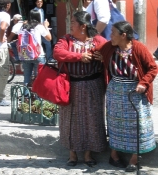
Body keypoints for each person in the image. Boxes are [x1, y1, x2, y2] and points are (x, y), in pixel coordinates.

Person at [95, 21, 157, 172]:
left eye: (113, 33)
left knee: (137, 124)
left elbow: (152, 68)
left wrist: (144, 83)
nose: (110, 36)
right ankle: (114, 155)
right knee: (116, 124)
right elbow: (94, 50)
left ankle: (134, 158)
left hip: (135, 91)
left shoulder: (139, 48)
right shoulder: (110, 47)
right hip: (115, 91)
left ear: (123, 35)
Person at [53, 11, 107, 167]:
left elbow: (111, 53)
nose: (70, 25)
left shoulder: (98, 40)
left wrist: (103, 58)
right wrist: (79, 57)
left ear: (83, 26)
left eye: (73, 22)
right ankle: (72, 154)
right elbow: (58, 53)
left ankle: (89, 154)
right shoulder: (66, 40)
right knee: (70, 120)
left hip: (93, 85)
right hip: (71, 86)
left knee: (92, 119)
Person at [21, 9, 51, 87]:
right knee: (39, 77)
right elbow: (49, 38)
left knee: (26, 77)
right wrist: (46, 26)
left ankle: (26, 96)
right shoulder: (39, 26)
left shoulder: (24, 26)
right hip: (38, 54)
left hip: (26, 55)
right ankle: (38, 97)